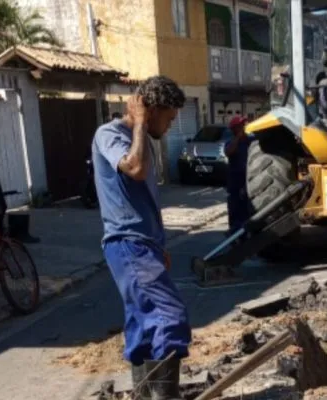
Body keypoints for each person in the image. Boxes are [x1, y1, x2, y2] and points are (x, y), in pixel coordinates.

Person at [91, 75, 190, 400]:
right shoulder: (110, 134)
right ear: (150, 110)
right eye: (169, 117)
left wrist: (158, 245)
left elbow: (145, 196)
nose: (171, 126)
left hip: (143, 246)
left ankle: (146, 395)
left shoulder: (143, 139)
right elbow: (134, 170)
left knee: (143, 325)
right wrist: (139, 125)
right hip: (127, 243)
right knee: (169, 316)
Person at [224, 115, 252, 234]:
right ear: (234, 129)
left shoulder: (250, 141)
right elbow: (229, 152)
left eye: (243, 125)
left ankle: (246, 231)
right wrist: (237, 139)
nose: (242, 127)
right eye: (240, 126)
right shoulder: (230, 142)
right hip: (235, 181)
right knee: (235, 210)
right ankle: (235, 233)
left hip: (248, 180)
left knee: (247, 209)